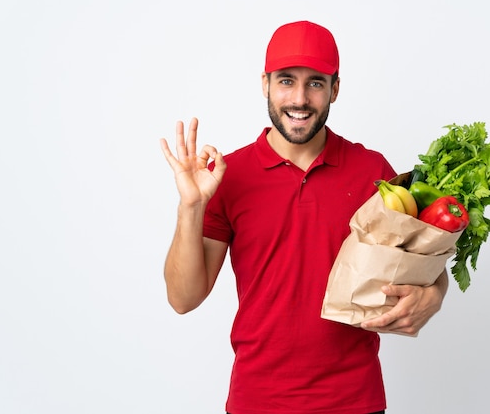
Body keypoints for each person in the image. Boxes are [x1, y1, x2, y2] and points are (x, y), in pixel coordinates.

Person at [160, 20, 449, 414]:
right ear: (265, 84)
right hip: (256, 401)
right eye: (285, 81)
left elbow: (422, 261)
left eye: (315, 82)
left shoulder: (373, 172)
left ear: (335, 88)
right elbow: (183, 298)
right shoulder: (229, 176)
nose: (299, 98)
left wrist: (433, 296)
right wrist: (190, 207)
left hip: (354, 401)